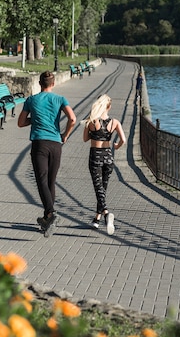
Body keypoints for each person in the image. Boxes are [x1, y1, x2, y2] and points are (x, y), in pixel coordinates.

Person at [18, 70, 76, 237]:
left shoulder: (31, 100)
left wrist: (35, 119)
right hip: (56, 144)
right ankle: (46, 219)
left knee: (41, 180)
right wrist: (65, 135)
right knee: (51, 181)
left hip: (40, 144)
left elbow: (21, 123)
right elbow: (72, 119)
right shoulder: (60, 99)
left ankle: (51, 213)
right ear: (53, 83)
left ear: (39, 83)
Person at [83, 94, 126, 235]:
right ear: (109, 107)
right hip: (108, 157)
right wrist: (117, 146)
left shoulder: (91, 121)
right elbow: (123, 140)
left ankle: (107, 214)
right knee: (102, 189)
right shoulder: (115, 122)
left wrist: (92, 133)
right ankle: (97, 219)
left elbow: (85, 138)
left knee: (98, 188)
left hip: (95, 156)